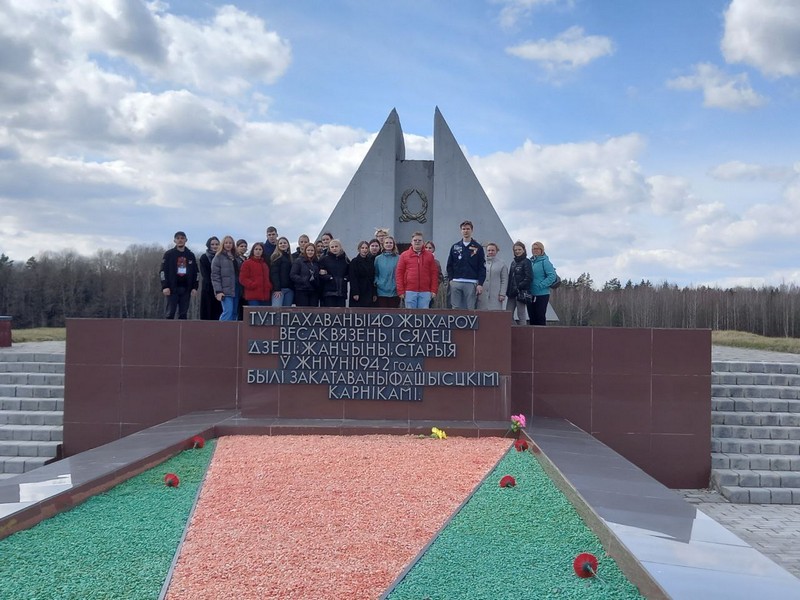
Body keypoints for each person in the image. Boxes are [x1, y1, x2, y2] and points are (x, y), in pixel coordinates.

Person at [446, 220, 485, 310]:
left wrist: (480, 283)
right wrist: (451, 280)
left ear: (472, 230)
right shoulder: (455, 247)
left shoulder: (478, 247)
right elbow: (449, 264)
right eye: (463, 229)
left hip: (471, 282)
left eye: (468, 229)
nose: (465, 231)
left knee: (470, 308)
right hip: (456, 282)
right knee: (455, 308)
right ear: (461, 231)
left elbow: (481, 267)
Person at [160, 231, 199, 319]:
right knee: (170, 313)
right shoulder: (169, 254)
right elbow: (162, 271)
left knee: (183, 314)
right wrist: (164, 286)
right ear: (174, 240)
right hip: (172, 288)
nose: (180, 240)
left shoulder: (190, 255)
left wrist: (195, 287)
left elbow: (196, 272)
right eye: (178, 238)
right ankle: (168, 328)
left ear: (186, 240)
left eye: (182, 238)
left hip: (186, 288)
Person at [396, 232, 438, 309]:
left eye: (419, 240)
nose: (417, 242)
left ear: (423, 242)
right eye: (415, 240)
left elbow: (434, 273)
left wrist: (434, 290)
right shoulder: (404, 255)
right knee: (410, 314)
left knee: (424, 314)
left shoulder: (429, 256)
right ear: (411, 242)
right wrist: (400, 290)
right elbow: (399, 273)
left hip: (425, 291)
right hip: (409, 291)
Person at [527, 241, 558, 326]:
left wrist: (541, 285)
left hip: (542, 294)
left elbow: (552, 276)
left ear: (541, 250)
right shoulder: (530, 262)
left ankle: (541, 334)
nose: (535, 250)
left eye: (537, 249)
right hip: (531, 294)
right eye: (533, 249)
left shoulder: (545, 262)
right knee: (532, 317)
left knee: (540, 317)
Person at [211, 235, 239, 321]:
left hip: (236, 289)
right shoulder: (218, 257)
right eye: (226, 243)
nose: (228, 245)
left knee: (234, 312)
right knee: (228, 311)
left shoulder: (236, 257)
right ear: (223, 244)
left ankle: (233, 330)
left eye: (230, 243)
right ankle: (221, 329)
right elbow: (215, 276)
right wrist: (218, 291)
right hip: (225, 291)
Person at [506, 241, 533, 325]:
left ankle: (523, 331)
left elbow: (529, 277)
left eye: (519, 249)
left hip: (521, 292)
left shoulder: (527, 262)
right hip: (512, 293)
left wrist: (519, 287)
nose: (517, 251)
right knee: (508, 314)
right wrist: (508, 290)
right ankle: (515, 329)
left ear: (524, 250)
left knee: (521, 314)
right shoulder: (513, 263)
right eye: (515, 250)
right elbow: (510, 277)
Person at [318, 239, 349, 307]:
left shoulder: (345, 259)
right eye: (332, 247)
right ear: (329, 248)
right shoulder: (324, 259)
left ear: (340, 247)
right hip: (329, 292)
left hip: (341, 292)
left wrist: (345, 279)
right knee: (330, 312)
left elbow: (350, 273)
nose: (334, 248)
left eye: (336, 246)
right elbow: (319, 274)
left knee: (341, 312)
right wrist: (329, 278)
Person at [477, 243, 508, 310]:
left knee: (495, 314)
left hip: (495, 295)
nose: (490, 252)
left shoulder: (502, 264)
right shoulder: (481, 263)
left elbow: (504, 280)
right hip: (482, 295)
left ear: (496, 251)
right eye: (489, 250)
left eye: (493, 250)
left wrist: (502, 294)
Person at [198, 236, 222, 321]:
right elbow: (204, 273)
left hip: (220, 287)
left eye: (216, 244)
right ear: (209, 245)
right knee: (207, 310)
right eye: (212, 244)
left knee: (219, 311)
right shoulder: (204, 257)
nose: (215, 246)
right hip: (208, 287)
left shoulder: (222, 257)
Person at [291, 242, 321, 307]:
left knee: (313, 311)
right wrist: (304, 280)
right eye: (308, 250)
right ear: (305, 251)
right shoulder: (298, 261)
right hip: (302, 290)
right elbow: (293, 275)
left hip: (314, 291)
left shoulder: (316, 262)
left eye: (312, 250)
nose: (310, 252)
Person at [374, 235, 400, 308]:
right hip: (381, 291)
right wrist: (378, 282)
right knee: (383, 312)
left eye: (391, 243)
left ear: (394, 245)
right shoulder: (378, 259)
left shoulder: (399, 258)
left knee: (394, 313)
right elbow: (375, 273)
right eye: (387, 243)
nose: (389, 244)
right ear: (383, 244)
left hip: (395, 291)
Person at [348, 241, 376, 307]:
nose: (364, 250)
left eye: (366, 248)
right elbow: (353, 278)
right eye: (362, 248)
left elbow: (373, 277)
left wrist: (374, 293)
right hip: (358, 291)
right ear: (359, 249)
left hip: (368, 291)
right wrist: (355, 292)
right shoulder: (354, 262)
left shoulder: (371, 261)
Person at [270, 236, 294, 307]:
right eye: (280, 243)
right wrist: (277, 289)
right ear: (278, 245)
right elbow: (274, 274)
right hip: (279, 290)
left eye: (284, 243)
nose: (283, 244)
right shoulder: (276, 257)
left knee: (286, 311)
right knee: (276, 310)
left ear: (288, 245)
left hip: (289, 289)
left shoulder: (290, 258)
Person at [425, 241, 447, 309]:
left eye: (430, 248)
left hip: (432, 290)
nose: (428, 249)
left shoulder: (436, 263)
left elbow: (439, 276)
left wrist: (434, 287)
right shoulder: (419, 260)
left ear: (433, 249)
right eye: (426, 247)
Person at [236, 239, 248, 318]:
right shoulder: (234, 259)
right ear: (237, 247)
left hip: (245, 287)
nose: (243, 248)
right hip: (237, 286)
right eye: (241, 246)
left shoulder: (246, 259)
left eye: (245, 246)